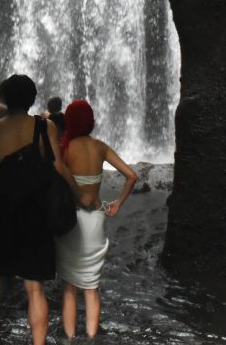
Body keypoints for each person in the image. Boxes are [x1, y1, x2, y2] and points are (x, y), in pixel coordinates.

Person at [0, 74, 83, 345]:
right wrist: (78, 194)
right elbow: (59, 167)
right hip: (34, 214)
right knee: (34, 285)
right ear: (32, 99)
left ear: (5, 98)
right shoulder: (45, 127)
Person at [54, 99, 138, 340]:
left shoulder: (65, 149)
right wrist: (117, 204)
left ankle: (69, 337)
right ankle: (92, 338)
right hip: (96, 221)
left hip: (71, 220)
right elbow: (132, 176)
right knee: (91, 287)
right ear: (91, 122)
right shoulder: (100, 147)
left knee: (69, 287)